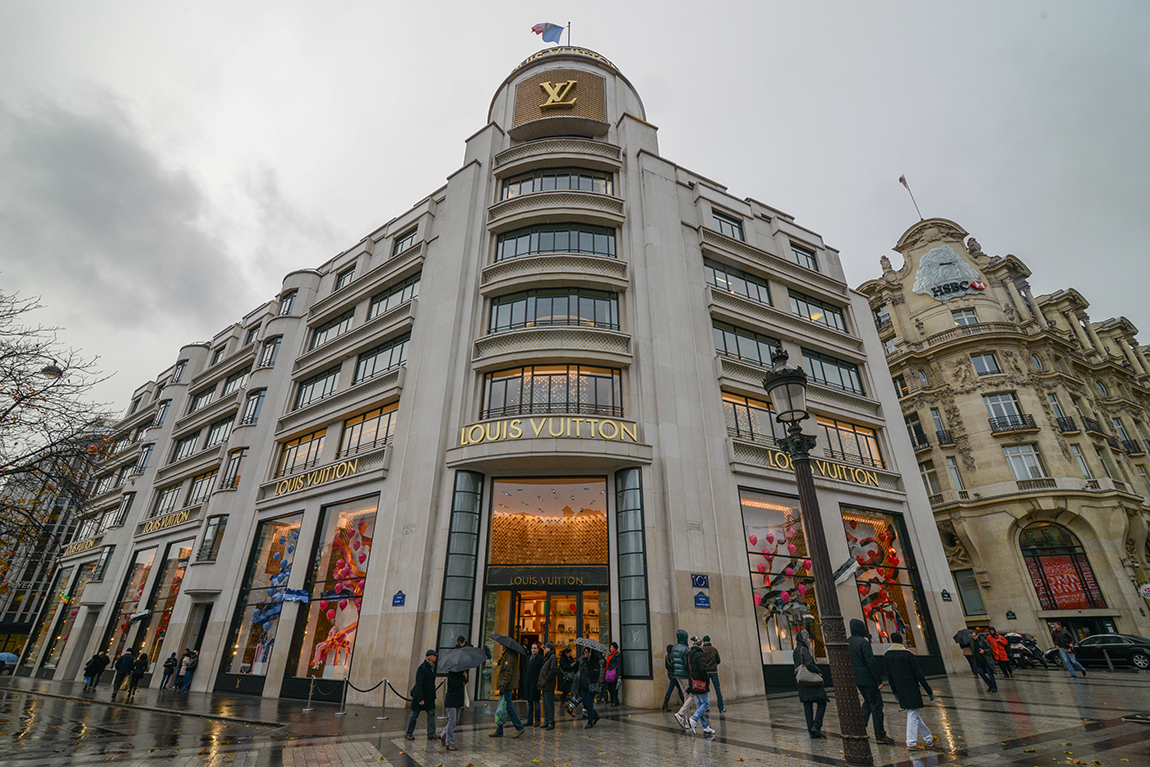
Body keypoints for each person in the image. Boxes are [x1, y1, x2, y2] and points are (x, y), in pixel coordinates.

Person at [886, 631, 940, 751]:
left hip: (900, 688)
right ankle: (911, 742)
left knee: (914, 713)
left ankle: (928, 738)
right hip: (911, 687)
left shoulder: (887, 655)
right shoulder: (907, 654)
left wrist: (895, 691)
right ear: (901, 641)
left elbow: (889, 676)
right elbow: (918, 673)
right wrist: (928, 690)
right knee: (913, 713)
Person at [849, 619, 895, 745]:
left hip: (858, 678)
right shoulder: (863, 642)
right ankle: (880, 734)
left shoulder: (849, 642)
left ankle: (860, 727)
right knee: (876, 706)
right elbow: (870, 662)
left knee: (868, 703)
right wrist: (878, 680)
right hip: (868, 678)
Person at [792, 629, 827, 738]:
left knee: (808, 705)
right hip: (809, 681)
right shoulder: (804, 650)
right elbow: (809, 664)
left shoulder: (796, 650)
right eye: (806, 637)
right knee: (822, 702)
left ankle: (811, 729)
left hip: (801, 681)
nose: (808, 639)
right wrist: (818, 671)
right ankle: (816, 726)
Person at [490, 644, 525, 737]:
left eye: (501, 644)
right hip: (506, 686)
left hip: (507, 686)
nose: (500, 645)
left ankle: (519, 727)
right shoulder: (506, 655)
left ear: (505, 646)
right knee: (502, 706)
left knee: (507, 706)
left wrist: (502, 685)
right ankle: (499, 730)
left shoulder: (509, 656)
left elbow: (508, 673)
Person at [405, 649, 438, 740]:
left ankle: (431, 732)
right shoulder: (422, 668)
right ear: (430, 657)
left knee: (431, 713)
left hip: (429, 696)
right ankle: (408, 732)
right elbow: (419, 684)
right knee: (414, 714)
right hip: (421, 695)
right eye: (434, 656)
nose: (435, 658)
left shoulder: (432, 667)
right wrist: (420, 698)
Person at [686, 636, 715, 735]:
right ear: (700, 644)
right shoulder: (700, 654)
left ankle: (705, 726)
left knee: (699, 704)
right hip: (701, 682)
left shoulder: (689, 654)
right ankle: (693, 719)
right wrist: (706, 680)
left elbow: (688, 669)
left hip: (693, 682)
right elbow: (703, 669)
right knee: (706, 704)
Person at [670, 629, 696, 729]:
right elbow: (688, 664)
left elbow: (672, 661)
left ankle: (687, 720)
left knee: (686, 696)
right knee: (692, 695)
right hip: (685, 675)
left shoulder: (674, 648)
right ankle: (680, 713)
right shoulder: (686, 649)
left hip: (677, 674)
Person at [439, 665, 467, 751]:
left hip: (458, 700)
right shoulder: (452, 673)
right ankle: (449, 743)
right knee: (452, 721)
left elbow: (463, 686)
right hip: (451, 700)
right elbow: (456, 684)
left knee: (456, 721)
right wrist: (463, 677)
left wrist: (465, 677)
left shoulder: (462, 673)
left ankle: (443, 735)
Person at [575, 645, 603, 729]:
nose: (585, 654)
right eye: (584, 652)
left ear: (590, 653)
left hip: (591, 686)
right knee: (585, 703)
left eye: (586, 652)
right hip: (584, 685)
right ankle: (595, 716)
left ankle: (590, 721)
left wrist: (588, 667)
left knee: (589, 704)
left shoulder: (594, 662)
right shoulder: (584, 660)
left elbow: (594, 674)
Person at [701, 636, 724, 714]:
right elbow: (718, 661)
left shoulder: (702, 650)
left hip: (706, 672)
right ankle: (721, 707)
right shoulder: (714, 649)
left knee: (705, 690)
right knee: (717, 689)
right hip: (714, 671)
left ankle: (706, 707)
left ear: (704, 642)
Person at [538, 642, 558, 729]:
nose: (544, 650)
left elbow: (553, 670)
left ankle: (550, 722)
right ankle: (546, 721)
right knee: (545, 704)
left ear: (549, 648)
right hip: (545, 684)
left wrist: (547, 678)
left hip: (548, 684)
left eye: (545, 648)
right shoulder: (547, 657)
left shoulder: (552, 657)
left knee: (549, 704)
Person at [523, 642, 543, 726]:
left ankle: (537, 720)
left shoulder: (540, 659)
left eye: (535, 648)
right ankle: (530, 720)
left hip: (535, 683)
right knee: (530, 702)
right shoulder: (528, 658)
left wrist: (537, 680)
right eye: (532, 648)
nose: (533, 650)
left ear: (538, 649)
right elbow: (526, 669)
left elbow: (541, 671)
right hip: (528, 683)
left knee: (536, 702)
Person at [662, 644, 684, 710]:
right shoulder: (673, 656)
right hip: (674, 674)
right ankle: (665, 704)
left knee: (678, 688)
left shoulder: (666, 657)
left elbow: (666, 666)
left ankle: (665, 704)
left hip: (670, 674)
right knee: (672, 689)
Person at [605, 641, 621, 707]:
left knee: (614, 688)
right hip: (609, 672)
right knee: (609, 687)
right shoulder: (610, 655)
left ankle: (614, 700)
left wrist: (619, 674)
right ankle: (615, 700)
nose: (610, 648)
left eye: (611, 647)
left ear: (614, 648)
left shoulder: (617, 655)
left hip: (614, 673)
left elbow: (619, 665)